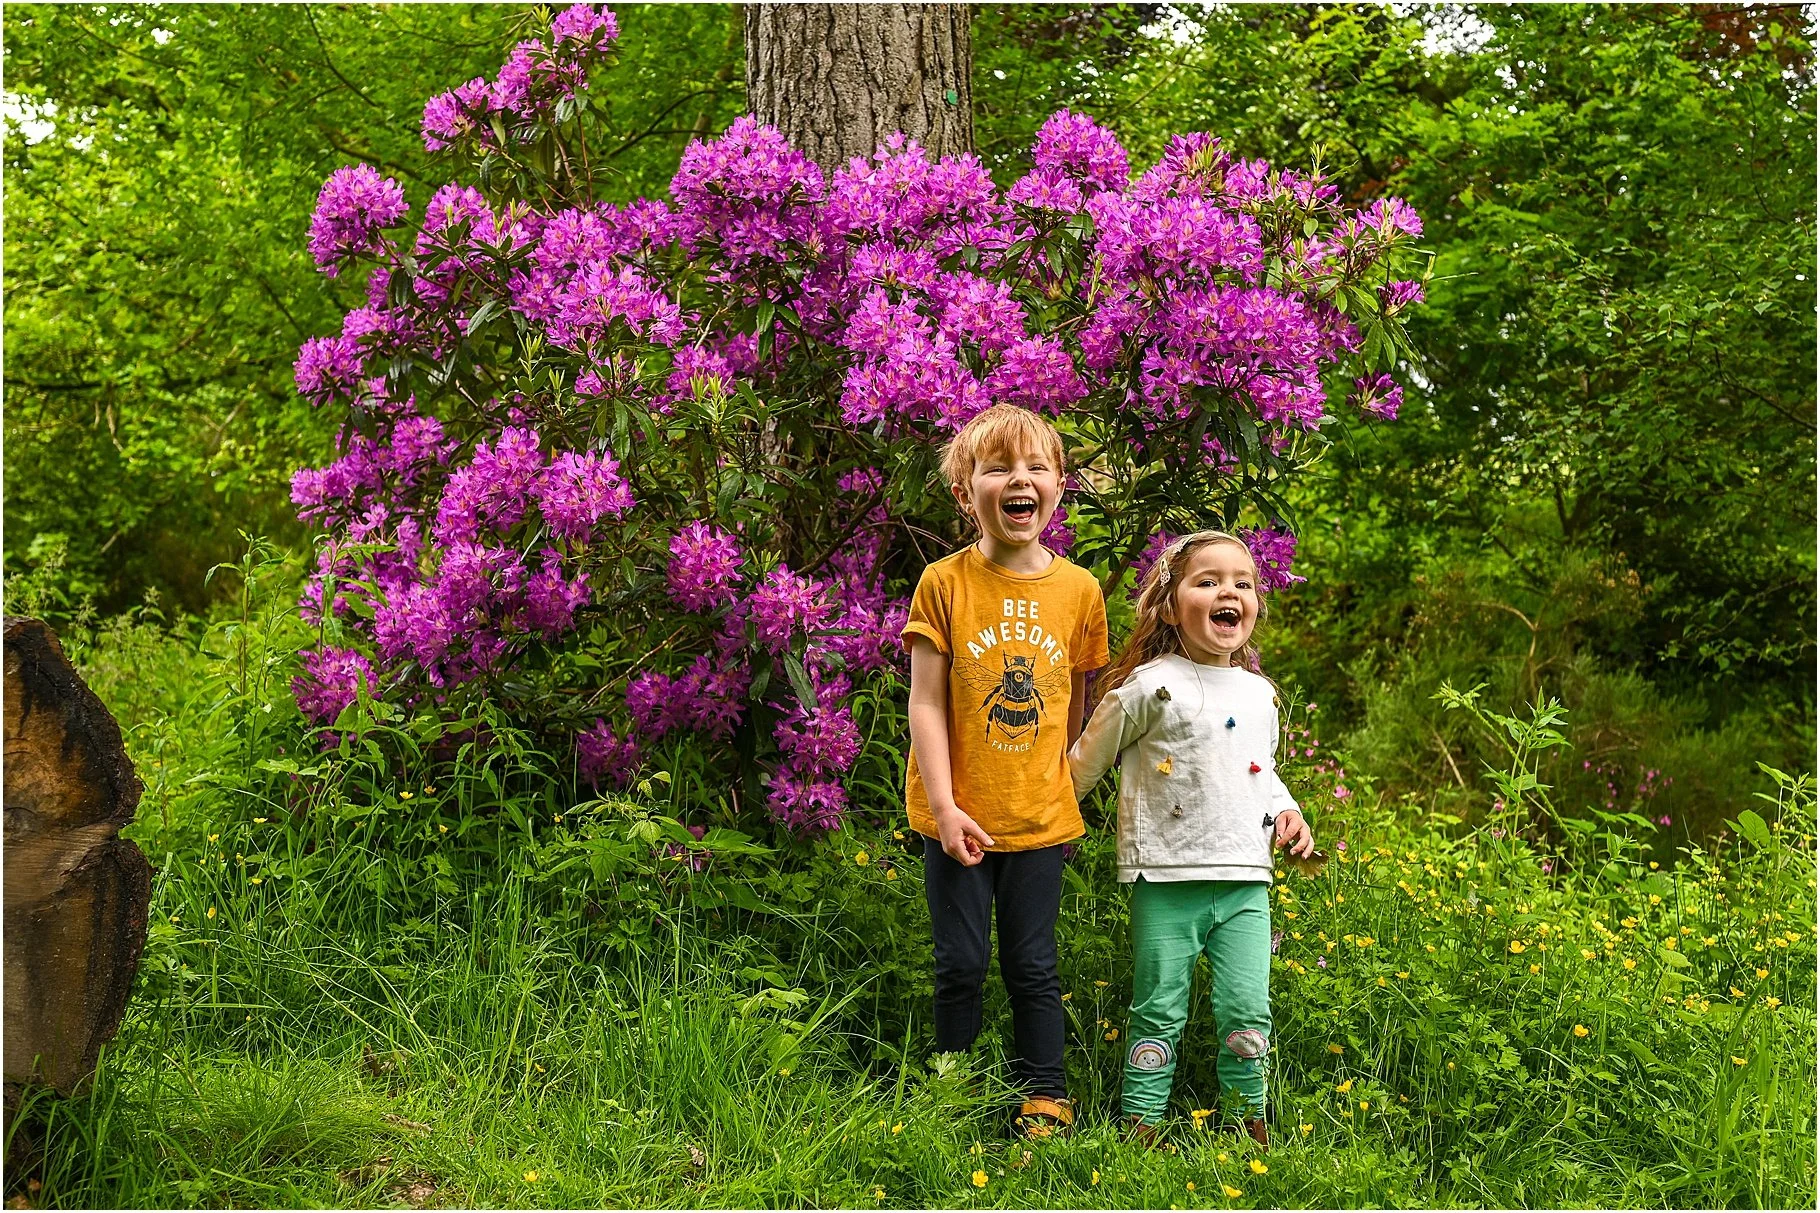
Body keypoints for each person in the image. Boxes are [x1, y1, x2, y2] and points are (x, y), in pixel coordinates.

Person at [901, 403, 1110, 1140]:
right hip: (958, 814)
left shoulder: (1080, 591)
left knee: (1033, 963)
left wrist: (1065, 798)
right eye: (998, 468)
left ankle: (1044, 1094)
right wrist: (946, 803)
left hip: (1038, 817)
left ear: (1060, 485)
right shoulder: (944, 583)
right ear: (966, 493)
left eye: (1036, 467)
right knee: (959, 960)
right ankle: (951, 1087)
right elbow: (925, 703)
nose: (1019, 480)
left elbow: (1075, 703)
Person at [1068, 530, 1314, 1149]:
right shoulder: (1150, 686)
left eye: (1243, 582)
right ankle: (1143, 1123)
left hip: (1245, 884)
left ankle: (1245, 1119)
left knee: (1246, 1008)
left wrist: (1289, 812)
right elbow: (1081, 768)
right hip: (1164, 878)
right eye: (1207, 581)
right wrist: (1034, 821)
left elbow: (1259, 770)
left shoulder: (1260, 695)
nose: (1228, 592)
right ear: (1170, 603)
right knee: (1158, 1008)